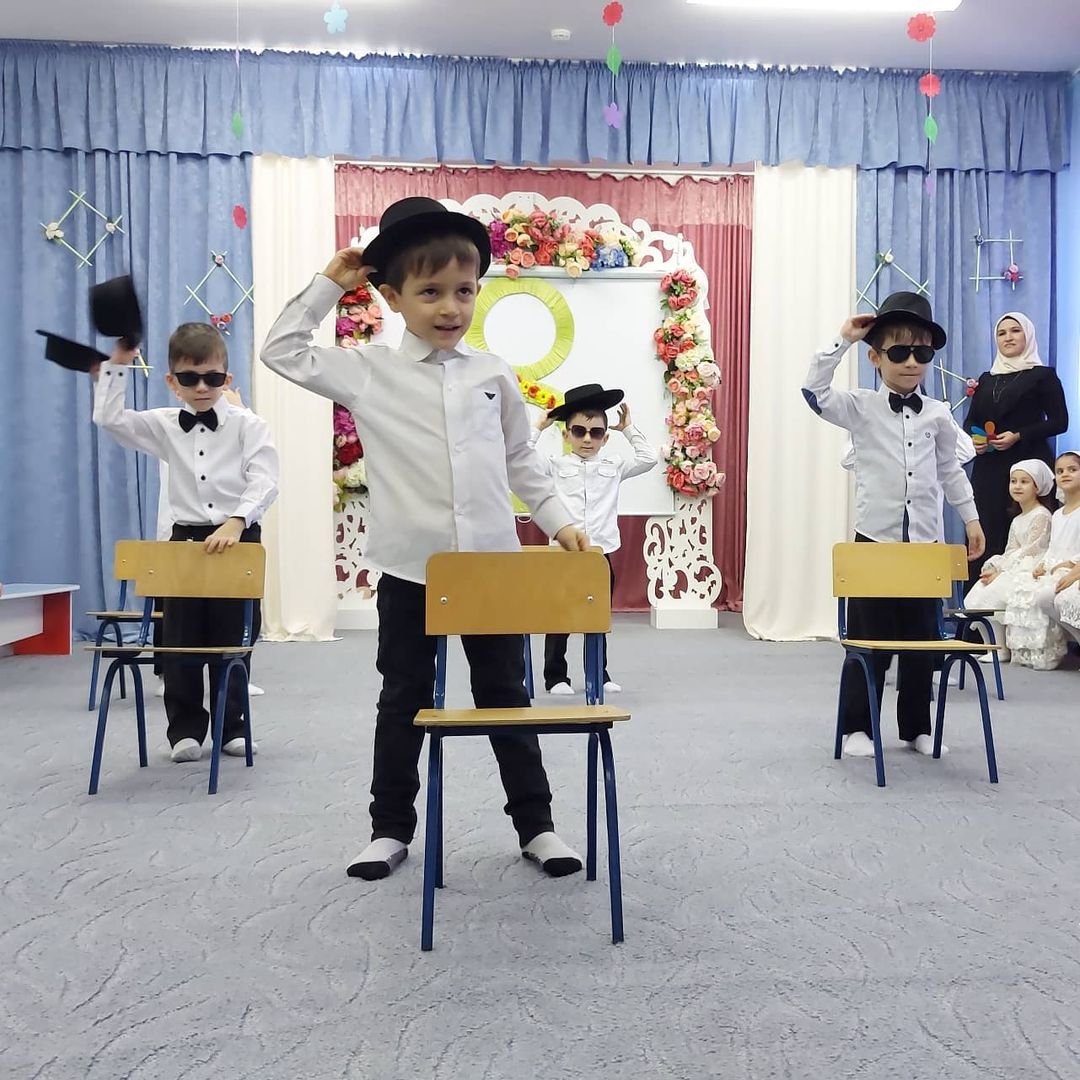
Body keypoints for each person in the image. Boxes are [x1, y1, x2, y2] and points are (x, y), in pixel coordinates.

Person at [260, 195, 590, 882]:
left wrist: (559, 520)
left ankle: (537, 825)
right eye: (430, 291)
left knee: (506, 695)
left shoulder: (492, 374)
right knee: (402, 699)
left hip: (492, 570)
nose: (450, 307)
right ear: (391, 296)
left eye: (464, 291)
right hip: (412, 570)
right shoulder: (367, 370)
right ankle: (388, 829)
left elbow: (521, 459)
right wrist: (329, 285)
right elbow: (281, 351)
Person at [802, 291, 985, 760]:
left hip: (925, 546)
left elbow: (950, 471)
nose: (911, 363)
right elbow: (814, 393)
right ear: (876, 358)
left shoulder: (938, 414)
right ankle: (857, 728)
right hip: (874, 543)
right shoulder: (860, 407)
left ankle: (916, 727)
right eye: (899, 352)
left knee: (923, 643)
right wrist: (843, 340)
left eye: (922, 353)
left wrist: (970, 518)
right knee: (869, 642)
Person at [93, 323, 279, 762]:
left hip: (237, 537)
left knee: (233, 640)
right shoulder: (163, 425)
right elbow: (110, 419)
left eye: (212, 378)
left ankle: (233, 727)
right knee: (178, 642)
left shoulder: (249, 426)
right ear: (171, 381)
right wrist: (117, 365)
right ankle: (185, 730)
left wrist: (236, 521)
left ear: (227, 379)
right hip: (185, 541)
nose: (202, 388)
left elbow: (266, 480)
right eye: (190, 378)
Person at [529, 384, 658, 695]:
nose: (587, 439)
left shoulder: (614, 466)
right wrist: (538, 426)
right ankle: (555, 677)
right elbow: (522, 456)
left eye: (596, 433)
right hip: (563, 555)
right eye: (579, 431)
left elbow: (649, 458)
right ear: (566, 435)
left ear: (605, 437)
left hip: (600, 555)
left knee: (598, 618)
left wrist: (629, 430)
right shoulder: (555, 466)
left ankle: (599, 673)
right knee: (559, 617)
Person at [154, 388, 266, 698]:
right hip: (184, 531)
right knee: (180, 623)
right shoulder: (174, 429)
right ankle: (171, 684)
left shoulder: (244, 427)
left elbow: (261, 476)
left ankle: (233, 689)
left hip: (233, 532)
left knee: (235, 618)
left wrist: (238, 521)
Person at [964, 312, 1068, 584]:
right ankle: (979, 600)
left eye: (1015, 331)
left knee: (1027, 530)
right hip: (989, 467)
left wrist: (1019, 435)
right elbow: (971, 421)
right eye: (1002, 333)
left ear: (1028, 335)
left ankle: (1024, 600)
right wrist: (976, 439)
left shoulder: (1043, 376)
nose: (1008, 337)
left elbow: (1060, 421)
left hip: (1028, 464)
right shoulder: (987, 378)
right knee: (986, 526)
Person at [963, 459, 1055, 663]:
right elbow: (1011, 550)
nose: (1017, 486)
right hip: (1015, 565)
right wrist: (997, 566)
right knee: (977, 593)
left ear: (1037, 486)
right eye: (1014, 481)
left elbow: (1032, 550)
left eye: (1024, 481)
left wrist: (1002, 571)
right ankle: (992, 645)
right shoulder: (1017, 519)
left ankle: (1001, 648)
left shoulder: (1041, 515)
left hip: (1031, 567)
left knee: (994, 592)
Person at [1004, 452, 1080, 670]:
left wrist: (1072, 566)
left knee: (1055, 596)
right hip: (1055, 568)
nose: (1065, 474)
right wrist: (1042, 564)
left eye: (1072, 469)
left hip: (1072, 568)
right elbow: (1053, 547)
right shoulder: (1058, 515)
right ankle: (1034, 652)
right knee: (1036, 594)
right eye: (1060, 471)